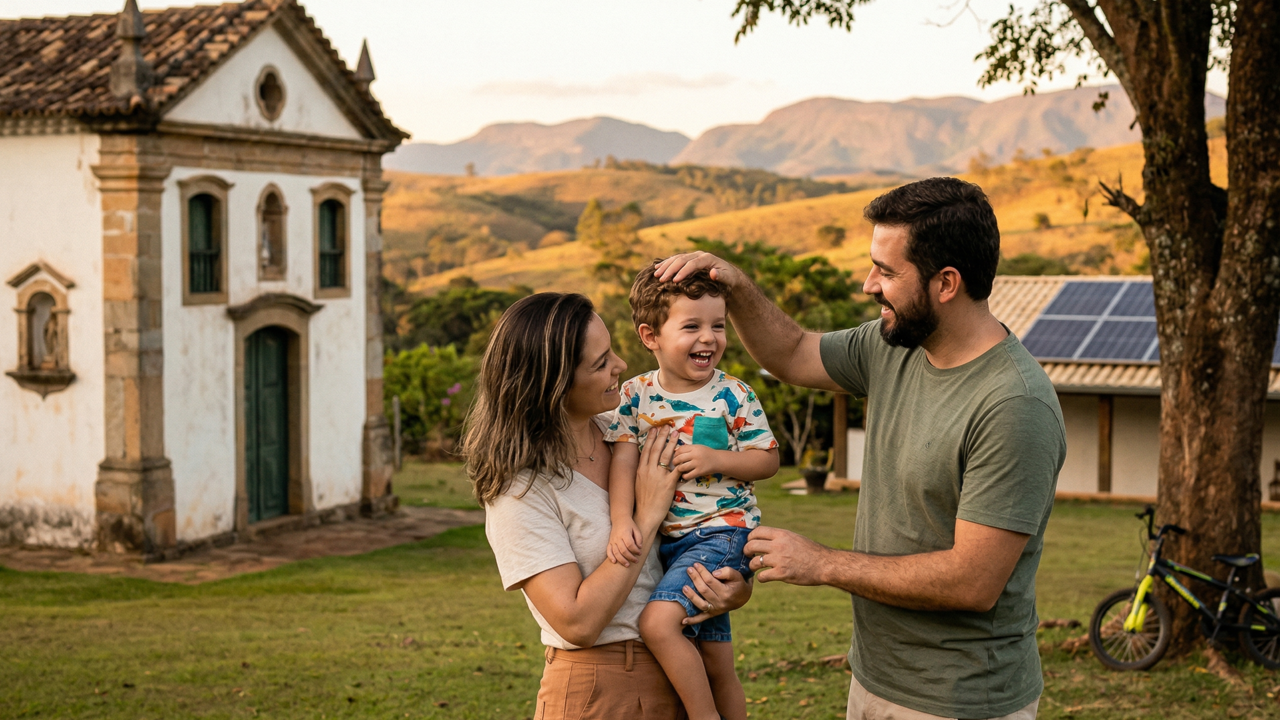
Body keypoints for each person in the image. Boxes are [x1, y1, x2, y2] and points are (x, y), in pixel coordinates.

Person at [656, 177, 1065, 720]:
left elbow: (973, 582)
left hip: (960, 699)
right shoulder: (893, 346)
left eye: (888, 271)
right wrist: (732, 285)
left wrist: (821, 563)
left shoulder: (1014, 405)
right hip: (875, 677)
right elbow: (793, 352)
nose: (870, 284)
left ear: (946, 283)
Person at [463, 292, 754, 720]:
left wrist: (729, 588)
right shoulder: (520, 488)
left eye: (612, 350)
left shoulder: (627, 432)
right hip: (603, 691)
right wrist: (645, 516)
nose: (620, 365)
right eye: (600, 363)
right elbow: (576, 623)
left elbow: (701, 525)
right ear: (552, 384)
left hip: (686, 671)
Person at [604, 266, 780, 720]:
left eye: (717, 325)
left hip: (723, 534)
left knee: (658, 624)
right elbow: (622, 463)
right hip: (670, 543)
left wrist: (716, 458)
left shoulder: (735, 394)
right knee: (717, 662)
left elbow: (768, 459)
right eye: (692, 326)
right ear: (650, 336)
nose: (709, 338)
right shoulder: (635, 394)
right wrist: (623, 520)